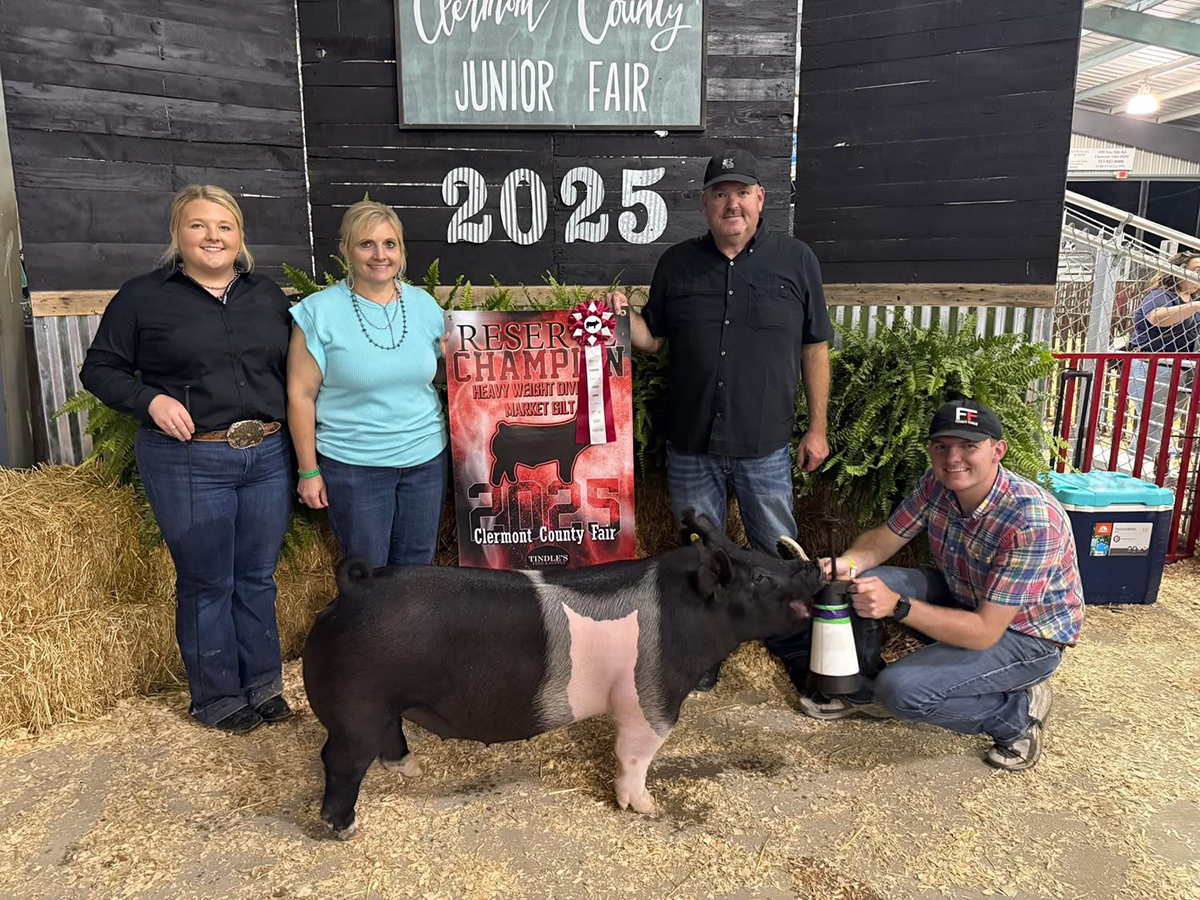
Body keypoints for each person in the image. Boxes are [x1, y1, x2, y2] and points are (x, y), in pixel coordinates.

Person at [605, 148, 833, 687]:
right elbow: (655, 341)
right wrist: (621, 316)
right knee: (700, 558)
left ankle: (796, 654)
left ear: (760, 199)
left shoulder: (797, 260)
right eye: (720, 193)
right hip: (691, 444)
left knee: (778, 550)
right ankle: (702, 654)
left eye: (741, 192)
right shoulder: (676, 263)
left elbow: (816, 347)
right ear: (705, 203)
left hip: (766, 445)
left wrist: (818, 427)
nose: (732, 203)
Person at [80, 185, 294, 735]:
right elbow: (98, 369)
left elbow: (296, 370)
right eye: (198, 225)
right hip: (190, 459)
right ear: (177, 234)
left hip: (267, 452)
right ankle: (217, 695)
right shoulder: (142, 298)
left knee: (257, 576)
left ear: (240, 236)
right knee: (206, 580)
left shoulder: (266, 295)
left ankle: (264, 684)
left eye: (224, 226)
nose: (212, 237)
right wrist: (148, 399)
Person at [801, 399, 1084, 772]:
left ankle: (1016, 716)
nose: (953, 458)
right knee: (860, 584)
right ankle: (864, 694)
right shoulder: (937, 485)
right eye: (942, 446)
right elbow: (886, 538)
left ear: (998, 450)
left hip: (1025, 635)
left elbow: (984, 631)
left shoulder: (1033, 521)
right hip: (964, 596)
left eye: (969, 446)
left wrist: (899, 605)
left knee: (901, 690)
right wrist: (847, 564)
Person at [288, 200, 449, 568]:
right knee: (366, 578)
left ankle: (410, 631)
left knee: (416, 572)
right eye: (366, 244)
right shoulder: (318, 312)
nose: (380, 255)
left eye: (389, 244)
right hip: (354, 466)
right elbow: (300, 395)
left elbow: (464, 362)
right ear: (345, 249)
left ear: (401, 251)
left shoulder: (425, 305)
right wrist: (308, 470)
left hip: (425, 461)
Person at [1124, 251, 1200, 475]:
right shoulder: (1162, 295)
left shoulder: (1193, 301)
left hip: (1182, 369)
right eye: (1195, 271)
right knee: (1153, 423)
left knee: (1162, 424)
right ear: (1177, 272)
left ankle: (1149, 467)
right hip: (1153, 366)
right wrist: (1195, 307)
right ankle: (1141, 470)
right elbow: (1157, 317)